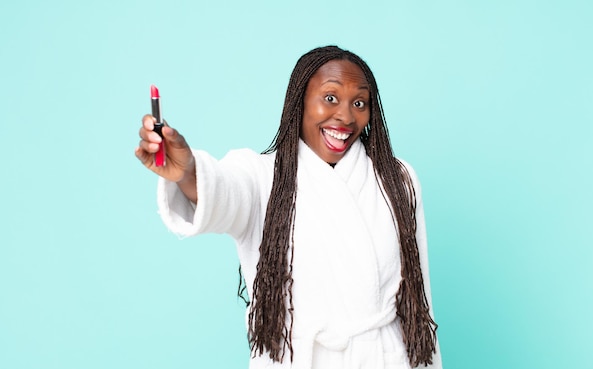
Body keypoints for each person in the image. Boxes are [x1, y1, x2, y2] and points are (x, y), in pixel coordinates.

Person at [135, 45, 442, 369]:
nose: (346, 116)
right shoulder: (262, 177)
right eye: (330, 98)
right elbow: (223, 190)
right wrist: (188, 173)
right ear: (300, 102)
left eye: (359, 103)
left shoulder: (398, 179)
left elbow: (420, 305)